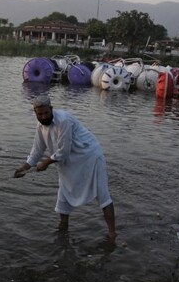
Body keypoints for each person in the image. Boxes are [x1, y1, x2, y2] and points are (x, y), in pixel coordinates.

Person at [14, 95, 116, 241]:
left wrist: (46, 163)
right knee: (63, 196)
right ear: (35, 113)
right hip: (69, 162)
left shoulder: (64, 121)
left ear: (51, 109)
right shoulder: (40, 125)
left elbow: (63, 151)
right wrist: (24, 167)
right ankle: (63, 228)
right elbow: (37, 150)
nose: (43, 117)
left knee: (103, 195)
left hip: (89, 157)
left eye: (46, 113)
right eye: (39, 114)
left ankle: (112, 234)